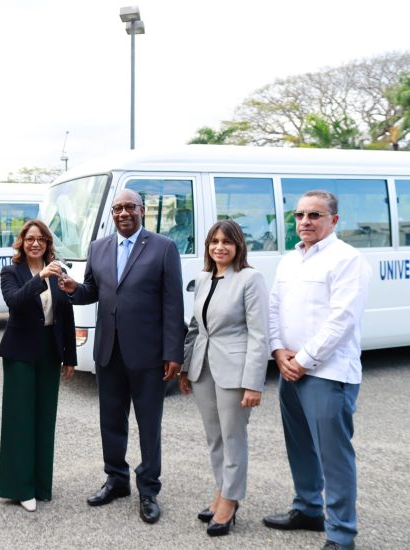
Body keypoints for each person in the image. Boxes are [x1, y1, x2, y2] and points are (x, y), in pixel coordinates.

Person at [59, 189, 185, 524]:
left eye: (130, 207)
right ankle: (116, 480)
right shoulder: (98, 248)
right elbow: (93, 292)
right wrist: (73, 289)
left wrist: (174, 352)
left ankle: (148, 488)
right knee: (111, 421)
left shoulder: (163, 248)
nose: (123, 213)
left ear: (142, 210)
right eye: (118, 208)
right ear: (112, 214)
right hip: (109, 352)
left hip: (148, 355)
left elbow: (174, 304)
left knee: (148, 425)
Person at [263, 190, 371, 550]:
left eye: (314, 215)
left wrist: (302, 359)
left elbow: (341, 320)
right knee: (300, 447)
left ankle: (341, 535)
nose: (305, 222)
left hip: (328, 374)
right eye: (300, 215)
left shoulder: (347, 259)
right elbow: (274, 308)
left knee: (334, 456)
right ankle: (308, 509)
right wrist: (278, 352)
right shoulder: (290, 260)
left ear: (334, 220)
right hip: (290, 369)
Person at [179, 220, 269, 536]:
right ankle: (221, 491)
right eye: (214, 241)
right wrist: (185, 368)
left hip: (235, 370)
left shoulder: (250, 278)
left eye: (226, 242)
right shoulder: (203, 278)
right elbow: (194, 327)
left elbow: (259, 334)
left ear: (238, 246)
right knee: (214, 437)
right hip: (203, 368)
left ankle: (229, 501)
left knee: (233, 437)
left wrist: (254, 382)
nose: (220, 247)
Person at [0, 220, 77, 512]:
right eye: (30, 238)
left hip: (49, 350)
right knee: (20, 421)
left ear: (48, 243)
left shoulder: (59, 272)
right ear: (22, 242)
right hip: (19, 352)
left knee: (45, 419)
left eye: (41, 239)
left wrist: (70, 357)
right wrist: (40, 277)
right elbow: (14, 301)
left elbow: (65, 314)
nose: (35, 243)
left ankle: (41, 485)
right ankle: (20, 488)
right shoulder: (11, 272)